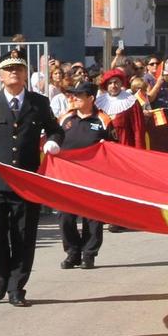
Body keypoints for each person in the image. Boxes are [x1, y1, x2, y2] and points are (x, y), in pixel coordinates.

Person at [0, 51, 63, 307]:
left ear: (26, 73)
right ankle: (3, 275)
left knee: (23, 235)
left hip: (26, 181)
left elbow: (55, 129)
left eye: (19, 68)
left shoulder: (39, 102)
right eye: (9, 68)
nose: (14, 72)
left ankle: (16, 287)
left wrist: (54, 142)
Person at [55, 80, 111, 269]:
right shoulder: (66, 119)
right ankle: (73, 252)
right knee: (65, 216)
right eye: (74, 95)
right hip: (68, 175)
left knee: (93, 216)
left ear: (91, 98)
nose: (74, 98)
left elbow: (115, 147)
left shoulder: (103, 120)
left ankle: (89, 254)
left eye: (79, 95)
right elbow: (55, 138)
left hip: (93, 176)